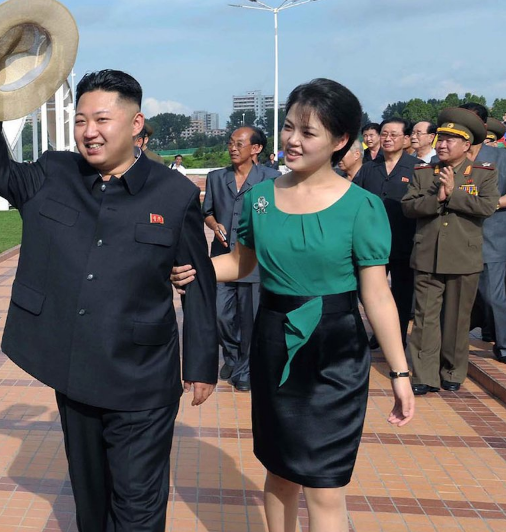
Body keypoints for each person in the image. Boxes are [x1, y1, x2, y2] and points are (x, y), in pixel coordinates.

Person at [0, 69, 218, 531]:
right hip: (75, 370)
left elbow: (197, 281)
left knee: (138, 505)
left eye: (102, 119)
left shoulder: (175, 193)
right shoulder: (53, 173)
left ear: (137, 123)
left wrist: (201, 363)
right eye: (81, 121)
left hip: (142, 377)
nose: (89, 132)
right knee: (91, 502)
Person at [173, 79, 414, 532]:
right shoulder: (260, 199)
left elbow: (377, 294)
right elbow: (242, 263)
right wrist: (193, 269)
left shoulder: (362, 206)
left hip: (335, 352)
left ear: (341, 140)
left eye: (308, 132)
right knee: (280, 472)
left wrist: (400, 373)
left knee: (324, 487)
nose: (293, 140)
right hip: (273, 342)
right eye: (288, 128)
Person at [402, 107, 499, 394]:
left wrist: (454, 194)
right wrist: (437, 197)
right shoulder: (422, 172)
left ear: (467, 145)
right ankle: (424, 375)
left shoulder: (483, 174)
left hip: (463, 257)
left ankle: (453, 370)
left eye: (449, 140)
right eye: (440, 139)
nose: (441, 145)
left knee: (457, 319)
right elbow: (408, 206)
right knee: (424, 319)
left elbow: (486, 206)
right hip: (427, 255)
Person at [203, 126, 277, 392]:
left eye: (239, 143)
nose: (233, 148)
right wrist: (214, 225)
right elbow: (207, 211)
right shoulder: (216, 177)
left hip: (254, 261)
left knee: (250, 318)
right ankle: (232, 357)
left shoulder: (271, 179)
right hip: (223, 257)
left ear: (256, 149)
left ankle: (245, 368)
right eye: (230, 143)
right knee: (221, 314)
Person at [354, 117, 419, 349]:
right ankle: (379, 331)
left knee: (402, 295)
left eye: (393, 135)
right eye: (384, 134)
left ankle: (397, 337)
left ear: (406, 139)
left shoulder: (418, 167)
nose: (387, 139)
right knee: (367, 291)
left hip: (405, 242)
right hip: (372, 244)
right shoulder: (369, 168)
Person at [460, 105, 506, 364]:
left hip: (492, 235)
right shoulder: (449, 156)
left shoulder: (501, 158)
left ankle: (503, 344)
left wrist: (490, 203)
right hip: (457, 235)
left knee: (493, 295)